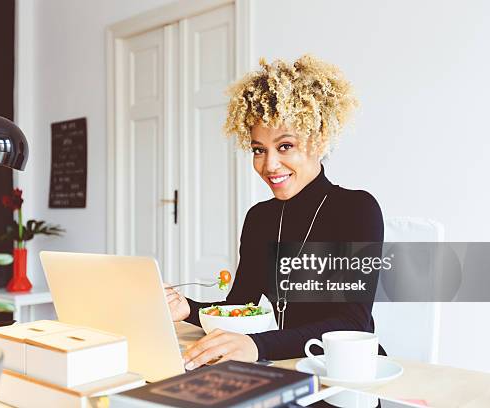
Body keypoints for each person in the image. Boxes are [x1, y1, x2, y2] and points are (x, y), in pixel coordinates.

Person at [165, 54, 384, 371]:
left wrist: (257, 345)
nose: (269, 165)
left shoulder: (357, 209)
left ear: (318, 139)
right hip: (286, 365)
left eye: (285, 146)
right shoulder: (260, 218)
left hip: (345, 375)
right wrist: (188, 308)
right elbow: (241, 306)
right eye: (258, 150)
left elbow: (352, 323)